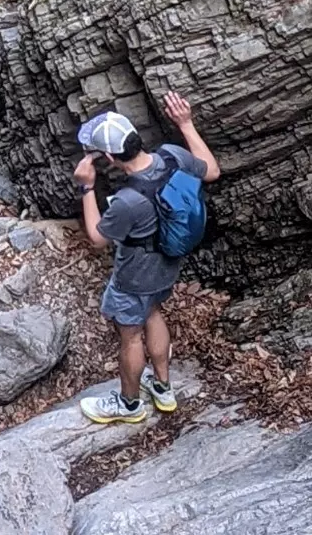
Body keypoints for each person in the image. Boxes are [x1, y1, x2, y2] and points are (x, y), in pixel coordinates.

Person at [73, 92, 220, 424]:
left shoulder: (128, 200)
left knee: (130, 334)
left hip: (135, 274)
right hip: (168, 262)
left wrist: (86, 188)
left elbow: (97, 237)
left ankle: (128, 405)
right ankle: (163, 388)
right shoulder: (171, 156)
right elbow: (211, 171)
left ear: (109, 157)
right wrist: (185, 123)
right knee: (153, 311)